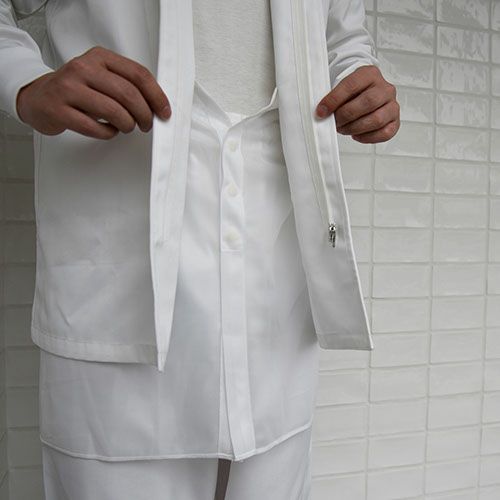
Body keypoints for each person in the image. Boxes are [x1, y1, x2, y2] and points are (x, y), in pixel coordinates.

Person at [0, 0, 400, 498]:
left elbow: (343, 37)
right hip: (120, 296)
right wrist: (23, 81)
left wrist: (360, 77)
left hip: (275, 286)